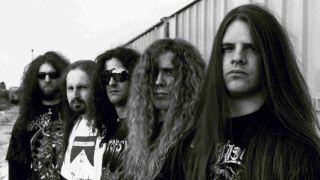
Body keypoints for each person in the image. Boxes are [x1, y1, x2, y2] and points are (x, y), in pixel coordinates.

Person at [187, 4, 320, 180]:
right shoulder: (192, 141)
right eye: (228, 48)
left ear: (271, 57)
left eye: (251, 48)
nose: (237, 58)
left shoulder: (298, 151)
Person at [124, 38, 205, 180]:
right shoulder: (143, 131)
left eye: (169, 73)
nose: (158, 81)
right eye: (154, 73)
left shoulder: (195, 136)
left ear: (187, 79)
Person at [6, 51, 70, 180]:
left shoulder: (75, 113)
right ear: (35, 79)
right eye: (42, 76)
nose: (47, 80)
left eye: (53, 75)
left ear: (63, 77)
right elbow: (16, 165)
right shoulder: (25, 119)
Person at [60, 60, 118, 180]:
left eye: (82, 87)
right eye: (70, 88)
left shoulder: (113, 125)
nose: (75, 94)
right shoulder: (72, 125)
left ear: (97, 89)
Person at [95, 47, 140, 178]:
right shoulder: (106, 126)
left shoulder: (146, 127)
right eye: (106, 76)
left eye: (119, 75)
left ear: (134, 77)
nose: (111, 82)